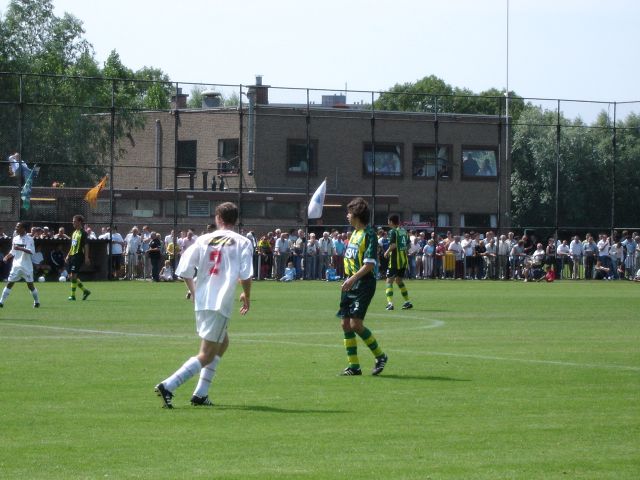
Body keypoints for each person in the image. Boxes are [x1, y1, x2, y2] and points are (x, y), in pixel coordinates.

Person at [155, 202, 253, 408]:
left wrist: (194, 290)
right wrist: (246, 295)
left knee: (222, 343)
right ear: (235, 220)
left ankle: (200, 394)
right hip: (219, 302)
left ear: (218, 218)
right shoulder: (243, 241)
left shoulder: (203, 239)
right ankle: (169, 385)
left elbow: (184, 270)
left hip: (204, 301)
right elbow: (245, 274)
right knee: (206, 354)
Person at [337, 197, 387, 376]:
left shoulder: (369, 234)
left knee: (356, 324)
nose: (347, 216)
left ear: (357, 215)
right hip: (350, 282)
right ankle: (354, 366)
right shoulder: (354, 234)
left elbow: (370, 264)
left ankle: (380, 356)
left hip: (363, 283)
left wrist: (353, 279)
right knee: (345, 324)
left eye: (349, 213)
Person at [0, 222, 41, 308]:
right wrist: (7, 257)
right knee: (10, 283)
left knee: (30, 285)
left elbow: (31, 252)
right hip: (16, 266)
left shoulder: (30, 239)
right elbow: (13, 251)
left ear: (23, 228)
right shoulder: (15, 239)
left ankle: (37, 302)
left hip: (26, 266)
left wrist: (20, 248)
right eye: (16, 226)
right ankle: (1, 302)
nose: (16, 228)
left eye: (18, 226)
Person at [383, 214, 412, 310]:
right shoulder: (404, 231)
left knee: (389, 281)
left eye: (388, 221)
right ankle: (407, 301)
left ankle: (390, 304)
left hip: (395, 261)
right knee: (398, 280)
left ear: (391, 222)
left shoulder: (392, 232)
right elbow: (408, 246)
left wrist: (386, 252)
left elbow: (393, 245)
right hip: (403, 260)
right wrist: (403, 252)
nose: (387, 223)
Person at [65, 214, 91, 301]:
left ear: (79, 222)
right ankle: (85, 291)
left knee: (73, 275)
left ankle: (73, 296)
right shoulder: (74, 232)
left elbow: (86, 245)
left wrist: (86, 257)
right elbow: (72, 246)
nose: (73, 223)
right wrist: (68, 255)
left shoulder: (83, 233)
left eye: (74, 221)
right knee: (71, 276)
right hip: (72, 255)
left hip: (78, 256)